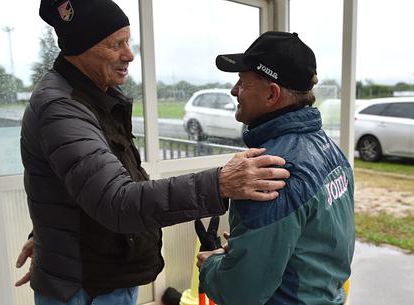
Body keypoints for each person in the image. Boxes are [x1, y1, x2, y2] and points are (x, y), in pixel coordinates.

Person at [16, 1, 291, 305]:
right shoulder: (63, 108)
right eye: (116, 44)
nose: (129, 54)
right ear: (83, 47)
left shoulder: (95, 97)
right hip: (87, 289)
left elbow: (75, 179)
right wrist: (220, 183)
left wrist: (46, 232)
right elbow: (116, 199)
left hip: (101, 278)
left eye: (128, 41)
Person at [197, 31, 355, 305]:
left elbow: (241, 293)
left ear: (272, 94)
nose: (234, 91)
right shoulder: (330, 151)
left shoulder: (269, 172)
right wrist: (247, 249)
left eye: (243, 83)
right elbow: (315, 244)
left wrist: (211, 266)